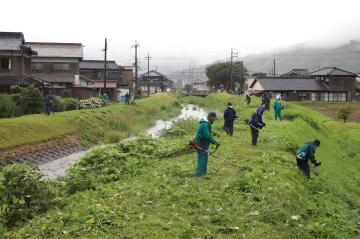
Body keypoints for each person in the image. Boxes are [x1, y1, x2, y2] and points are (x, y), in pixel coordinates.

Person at [194, 112, 220, 177]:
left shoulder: (205, 123)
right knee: (202, 159)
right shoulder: (205, 124)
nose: (214, 120)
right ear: (210, 117)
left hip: (202, 143)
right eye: (214, 118)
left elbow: (207, 132)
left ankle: (203, 173)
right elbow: (207, 136)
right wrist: (215, 142)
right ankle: (199, 174)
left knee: (204, 158)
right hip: (201, 144)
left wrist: (214, 133)